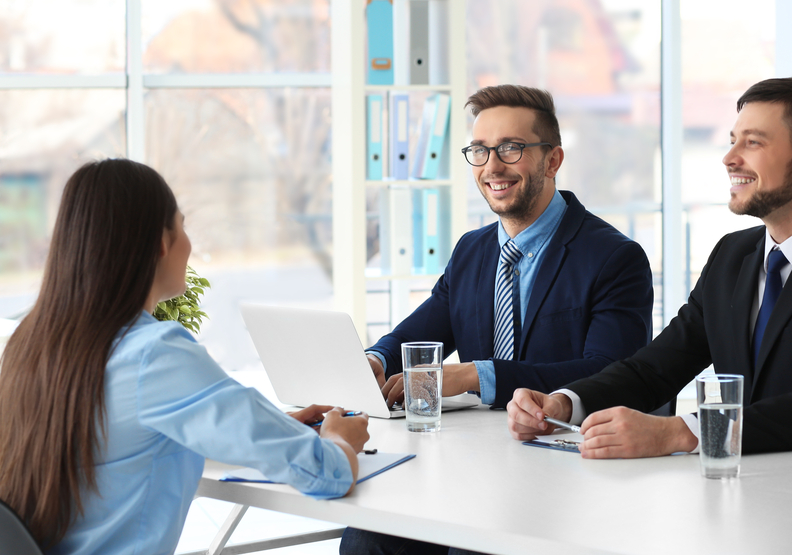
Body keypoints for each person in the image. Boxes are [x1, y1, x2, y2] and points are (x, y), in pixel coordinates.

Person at [508, 76, 792, 458]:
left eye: (753, 143)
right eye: (732, 141)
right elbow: (655, 368)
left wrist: (678, 432)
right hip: (738, 489)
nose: (729, 157)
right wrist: (564, 402)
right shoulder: (732, 256)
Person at [0, 159, 370, 555]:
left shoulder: (29, 344)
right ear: (161, 241)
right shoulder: (153, 354)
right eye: (182, 224)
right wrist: (337, 439)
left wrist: (271, 429)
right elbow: (328, 475)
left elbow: (121, 441)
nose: (189, 242)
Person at [342, 86, 653, 554]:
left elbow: (610, 371)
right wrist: (377, 359)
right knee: (369, 538)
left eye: (511, 148)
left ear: (552, 160)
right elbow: (422, 328)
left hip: (564, 472)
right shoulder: (472, 250)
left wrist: (475, 374)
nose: (491, 166)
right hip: (474, 463)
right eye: (480, 151)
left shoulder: (613, 257)